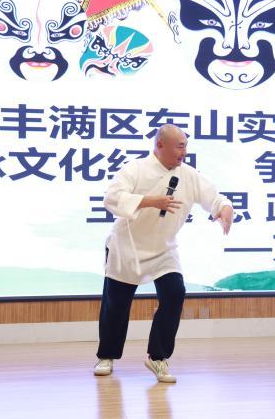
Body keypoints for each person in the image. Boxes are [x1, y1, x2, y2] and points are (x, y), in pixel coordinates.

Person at [93, 124, 234, 382]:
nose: (184, 152)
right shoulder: (135, 169)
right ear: (160, 145)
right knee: (116, 305)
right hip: (127, 247)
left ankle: (157, 357)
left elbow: (214, 197)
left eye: (186, 146)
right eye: (179, 146)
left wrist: (224, 208)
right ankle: (107, 356)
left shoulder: (189, 175)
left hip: (164, 249)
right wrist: (150, 200)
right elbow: (111, 198)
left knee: (174, 294)